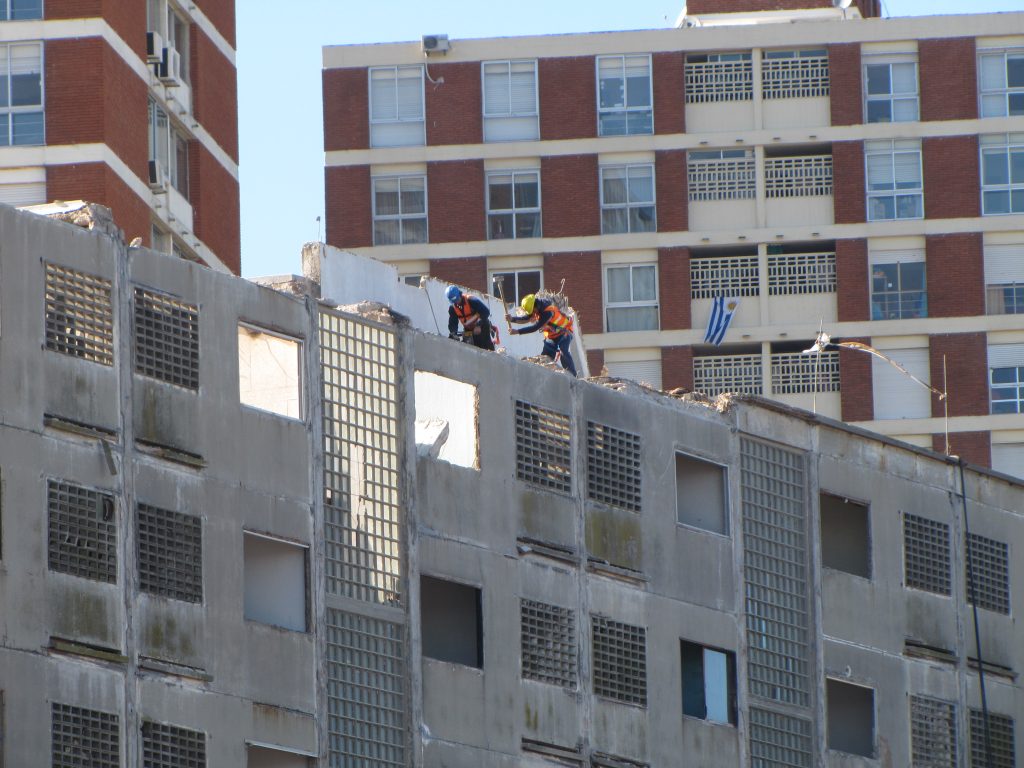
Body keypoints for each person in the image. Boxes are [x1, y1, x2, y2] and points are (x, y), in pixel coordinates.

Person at [508, 293, 578, 377]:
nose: (532, 313)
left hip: (564, 332)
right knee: (545, 357)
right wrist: (512, 319)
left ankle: (573, 376)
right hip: (552, 336)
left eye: (533, 311)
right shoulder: (537, 307)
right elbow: (526, 318)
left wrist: (517, 331)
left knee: (563, 350)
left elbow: (535, 327)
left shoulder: (547, 312)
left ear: (535, 306)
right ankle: (546, 376)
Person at [446, 285, 495, 351]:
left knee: (485, 348)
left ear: (459, 295)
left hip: (482, 326)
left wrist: (478, 325)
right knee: (470, 349)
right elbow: (453, 322)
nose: (456, 302)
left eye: (457, 299)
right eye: (454, 301)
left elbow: (485, 312)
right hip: (469, 330)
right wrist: (453, 333)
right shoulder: (453, 308)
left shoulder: (472, 300)